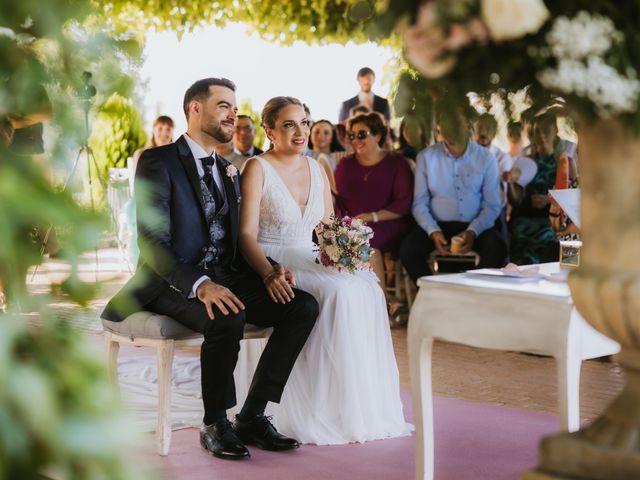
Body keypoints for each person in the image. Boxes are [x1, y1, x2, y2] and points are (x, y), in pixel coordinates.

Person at [101, 78, 318, 460]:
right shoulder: (158, 161)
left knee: (301, 307)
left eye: (234, 107)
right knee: (226, 314)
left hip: (227, 275)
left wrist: (269, 270)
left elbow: (233, 240)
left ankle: (252, 415)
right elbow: (152, 242)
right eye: (223, 106)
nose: (233, 114)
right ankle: (215, 422)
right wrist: (200, 285)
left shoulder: (227, 168)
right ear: (195, 109)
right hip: (170, 281)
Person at [240, 96, 411, 445]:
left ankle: (350, 405)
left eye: (304, 122)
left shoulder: (318, 167)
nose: (300, 131)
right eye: (289, 124)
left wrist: (350, 253)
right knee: (338, 292)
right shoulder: (257, 168)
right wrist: (269, 272)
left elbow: (328, 227)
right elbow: (245, 234)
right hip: (274, 254)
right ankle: (311, 406)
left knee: (365, 287)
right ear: (269, 131)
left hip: (311, 253)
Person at [400, 105, 507, 283]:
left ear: (468, 124)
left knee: (497, 247)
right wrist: (433, 231)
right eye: (445, 121)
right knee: (409, 249)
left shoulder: (486, 158)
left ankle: (473, 295)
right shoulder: (426, 157)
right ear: (439, 126)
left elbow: (492, 205)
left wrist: (473, 231)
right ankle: (433, 297)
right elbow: (419, 203)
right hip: (438, 226)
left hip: (476, 226)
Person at [333, 113, 414, 317]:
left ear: (378, 135)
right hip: (353, 224)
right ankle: (352, 305)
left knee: (368, 239)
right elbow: (339, 201)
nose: (356, 140)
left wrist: (373, 216)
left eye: (362, 134)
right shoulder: (345, 165)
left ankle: (381, 304)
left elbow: (404, 202)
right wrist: (346, 223)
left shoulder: (397, 163)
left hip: (389, 221)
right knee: (341, 239)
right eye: (352, 135)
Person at [507, 113, 578, 264]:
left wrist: (550, 200)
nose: (542, 135)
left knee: (553, 237)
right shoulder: (526, 161)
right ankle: (521, 274)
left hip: (556, 221)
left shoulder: (564, 161)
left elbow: (573, 194)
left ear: (555, 131)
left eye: (546, 130)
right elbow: (515, 200)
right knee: (519, 230)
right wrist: (511, 183)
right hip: (530, 215)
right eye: (538, 131)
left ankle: (561, 272)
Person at [308, 119, 346, 192]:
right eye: (317, 132)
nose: (320, 136)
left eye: (326, 133)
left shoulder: (339, 158)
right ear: (310, 134)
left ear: (332, 137)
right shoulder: (302, 155)